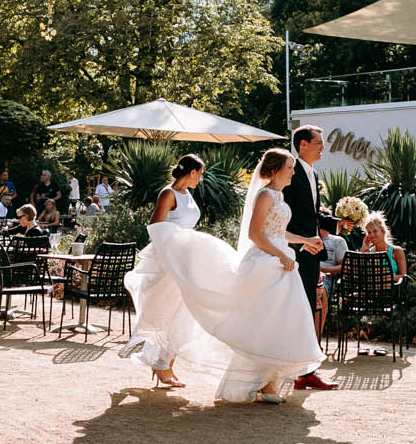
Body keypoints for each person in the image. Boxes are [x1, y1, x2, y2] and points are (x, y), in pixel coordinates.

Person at [119, 148, 328, 402]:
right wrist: (281, 255)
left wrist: (304, 240)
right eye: (289, 168)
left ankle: (267, 379)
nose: (293, 172)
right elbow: (256, 234)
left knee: (278, 321)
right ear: (274, 170)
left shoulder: (279, 196)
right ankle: (164, 361)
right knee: (177, 308)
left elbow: (276, 231)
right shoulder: (264, 196)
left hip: (280, 260)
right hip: (252, 260)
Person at [118, 154, 208, 388]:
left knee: (183, 313)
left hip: (187, 259)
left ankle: (164, 363)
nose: (201, 178)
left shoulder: (189, 194)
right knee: (172, 312)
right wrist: (177, 246)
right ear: (191, 172)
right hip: (170, 260)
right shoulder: (169, 193)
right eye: (200, 173)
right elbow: (156, 227)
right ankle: (162, 364)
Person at [281, 125, 338, 387]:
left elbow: (311, 214)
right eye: (318, 143)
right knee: (299, 308)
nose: (322, 148)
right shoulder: (290, 174)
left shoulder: (313, 173)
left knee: (308, 307)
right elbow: (283, 215)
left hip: (312, 251)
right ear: (302, 144)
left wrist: (337, 223)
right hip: (295, 252)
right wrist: (300, 244)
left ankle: (304, 370)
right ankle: (298, 370)